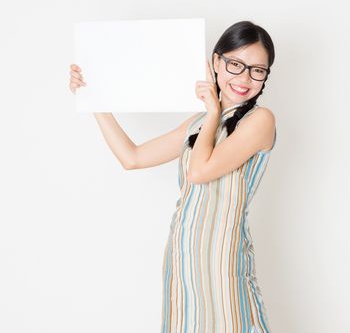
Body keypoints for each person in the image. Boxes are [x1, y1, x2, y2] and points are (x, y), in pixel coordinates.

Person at [69, 20, 276, 333]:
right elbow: (132, 157)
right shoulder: (198, 123)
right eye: (236, 64)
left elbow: (199, 171)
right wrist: (93, 97)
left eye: (257, 70)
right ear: (216, 62)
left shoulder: (260, 120)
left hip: (223, 262)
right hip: (183, 258)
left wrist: (213, 112)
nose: (245, 78)